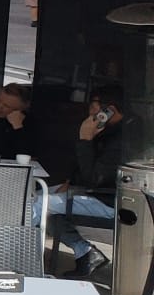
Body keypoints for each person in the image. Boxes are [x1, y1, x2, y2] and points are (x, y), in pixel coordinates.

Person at [43, 84, 127, 279]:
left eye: (93, 107)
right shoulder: (109, 130)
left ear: (109, 110)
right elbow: (82, 165)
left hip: (108, 201)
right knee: (43, 198)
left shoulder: (121, 140)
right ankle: (86, 254)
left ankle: (15, 261)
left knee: (37, 205)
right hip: (91, 192)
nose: (90, 112)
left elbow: (94, 178)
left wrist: (85, 139)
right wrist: (69, 180)